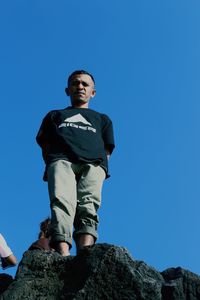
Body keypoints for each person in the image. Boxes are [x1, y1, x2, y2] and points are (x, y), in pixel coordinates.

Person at [36, 70, 115, 256]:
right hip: (61, 161)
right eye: (76, 83)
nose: (80, 87)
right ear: (67, 90)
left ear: (92, 92)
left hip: (93, 165)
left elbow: (108, 149)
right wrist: (52, 162)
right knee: (61, 203)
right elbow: (44, 143)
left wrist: (101, 168)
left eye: (85, 84)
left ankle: (85, 253)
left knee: (89, 205)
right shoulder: (54, 115)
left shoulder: (103, 119)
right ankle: (63, 254)